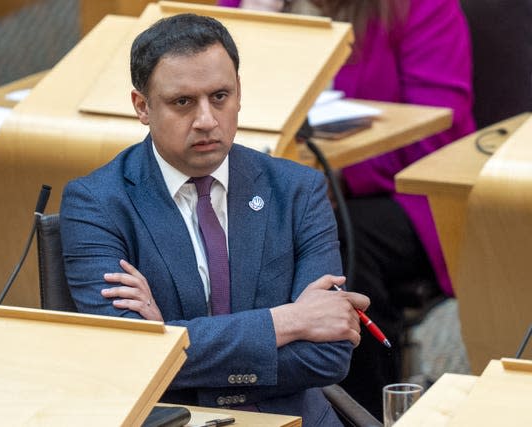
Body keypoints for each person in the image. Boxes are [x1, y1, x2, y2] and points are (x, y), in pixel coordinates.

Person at [60, 13, 370, 426]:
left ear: (239, 94)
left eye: (220, 96)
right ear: (142, 107)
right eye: (183, 102)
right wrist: (290, 321)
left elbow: (326, 356)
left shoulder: (298, 190)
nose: (206, 120)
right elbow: (131, 361)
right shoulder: (97, 203)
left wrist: (171, 339)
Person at [219, 0, 476, 419]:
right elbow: (202, 90)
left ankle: (366, 411)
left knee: (333, 247)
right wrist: (257, 20)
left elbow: (435, 136)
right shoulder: (241, 8)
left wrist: (332, 181)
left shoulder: (422, 8)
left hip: (406, 199)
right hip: (277, 189)